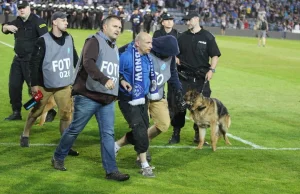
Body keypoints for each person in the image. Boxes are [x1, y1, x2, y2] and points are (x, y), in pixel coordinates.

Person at [52, 15, 130, 182]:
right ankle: (58, 157)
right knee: (74, 129)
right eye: (115, 26)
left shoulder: (113, 46)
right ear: (105, 27)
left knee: (108, 134)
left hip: (107, 98)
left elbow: (112, 70)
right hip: (88, 95)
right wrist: (104, 80)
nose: (118, 29)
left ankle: (111, 170)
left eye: (119, 27)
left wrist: (121, 81)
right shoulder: (93, 41)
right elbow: (88, 63)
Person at [115, 35, 185, 166]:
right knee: (142, 126)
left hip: (157, 94)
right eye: (169, 54)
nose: (171, 56)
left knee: (163, 124)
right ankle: (142, 154)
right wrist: (121, 80)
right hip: (140, 95)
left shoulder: (169, 54)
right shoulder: (142, 47)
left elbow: (173, 73)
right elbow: (118, 56)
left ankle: (119, 144)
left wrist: (179, 92)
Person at [19, 11, 79, 156]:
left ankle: (65, 145)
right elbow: (34, 64)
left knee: (66, 115)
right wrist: (33, 84)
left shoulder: (69, 37)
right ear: (54, 22)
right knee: (37, 110)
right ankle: (25, 133)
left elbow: (75, 59)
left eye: (66, 20)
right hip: (44, 85)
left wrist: (80, 77)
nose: (66, 23)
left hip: (64, 84)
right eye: (63, 20)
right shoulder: (43, 40)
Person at [168, 11, 221, 145]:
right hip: (184, 77)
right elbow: (174, 53)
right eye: (185, 20)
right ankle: (176, 133)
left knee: (201, 108)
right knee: (179, 105)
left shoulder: (208, 36)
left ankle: (198, 135)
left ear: (196, 19)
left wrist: (212, 70)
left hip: (200, 78)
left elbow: (215, 55)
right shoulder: (181, 37)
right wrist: (176, 58)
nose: (187, 23)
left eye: (189, 20)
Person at [116, 32, 159, 177]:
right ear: (137, 43)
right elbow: (115, 73)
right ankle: (144, 164)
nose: (151, 46)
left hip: (143, 99)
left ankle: (115, 146)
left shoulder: (147, 58)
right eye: (148, 43)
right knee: (140, 130)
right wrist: (122, 80)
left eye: (151, 43)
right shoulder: (126, 57)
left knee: (142, 129)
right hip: (128, 100)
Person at [1, 0, 48, 120]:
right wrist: (6, 26)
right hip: (17, 60)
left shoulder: (37, 21)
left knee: (35, 90)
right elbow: (3, 28)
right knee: (14, 86)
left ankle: (47, 109)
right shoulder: (17, 21)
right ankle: (16, 112)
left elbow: (46, 41)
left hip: (31, 62)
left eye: (24, 7)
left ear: (29, 8)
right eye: (19, 8)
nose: (21, 9)